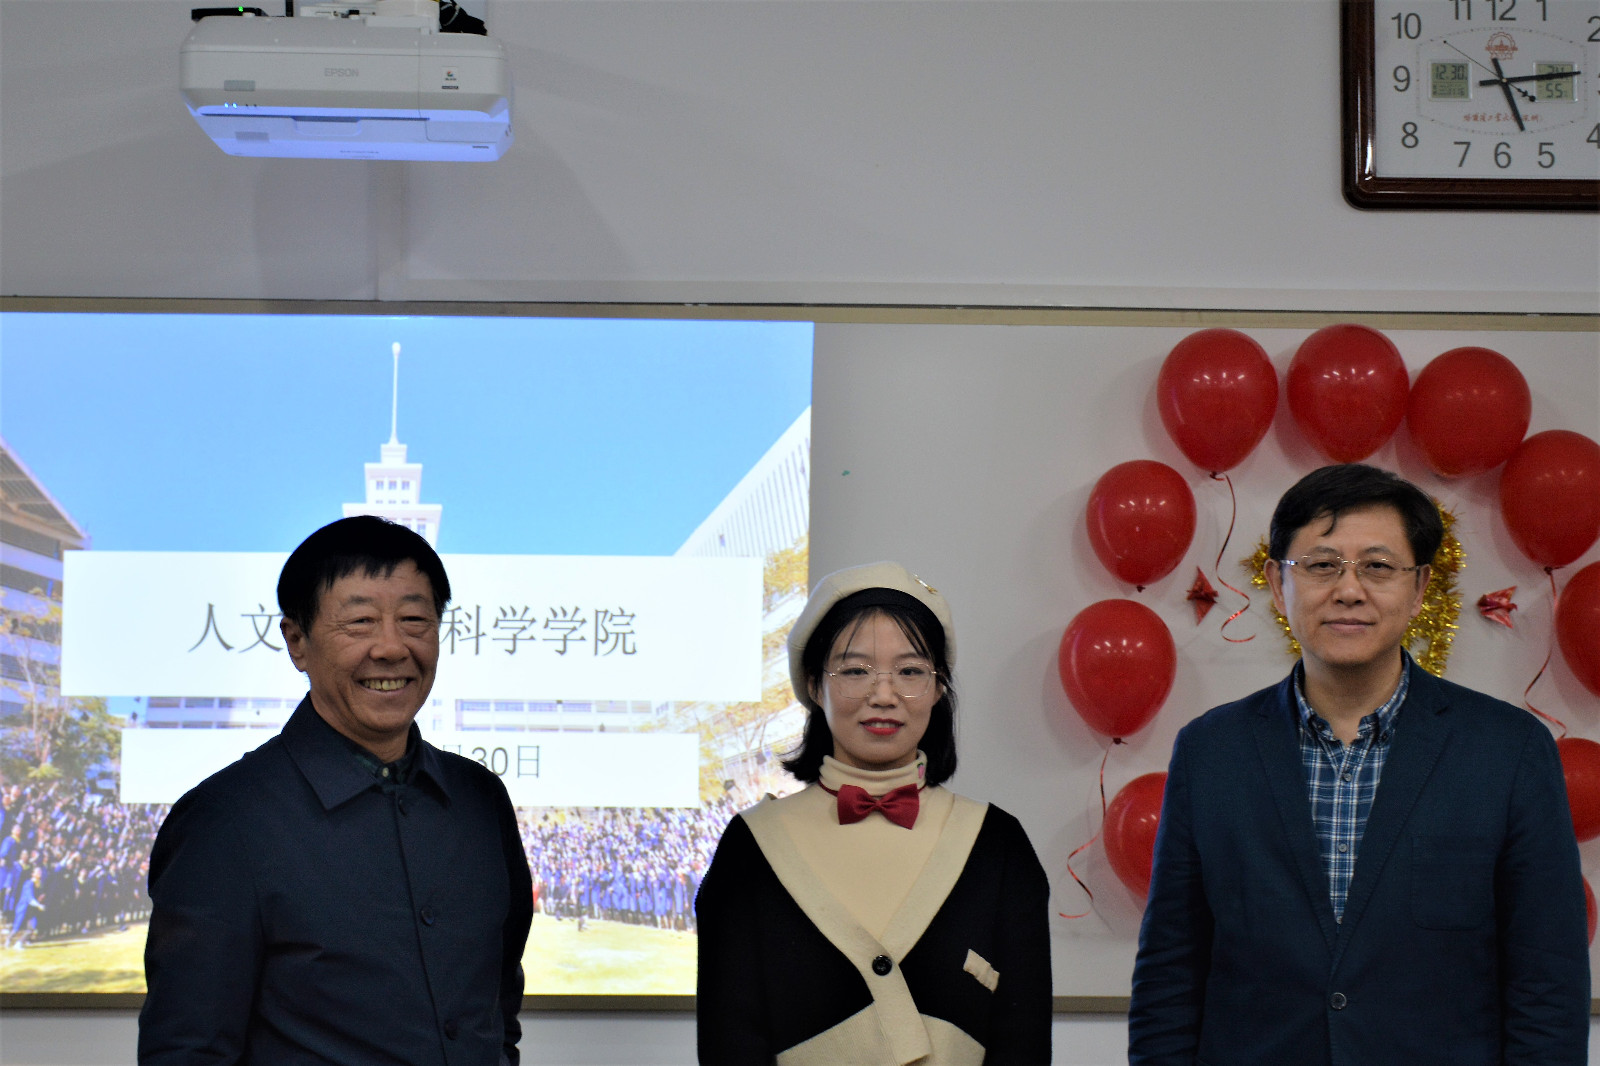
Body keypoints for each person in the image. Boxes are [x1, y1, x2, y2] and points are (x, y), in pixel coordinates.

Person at [1128, 464, 1590, 1066]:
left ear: (1420, 587)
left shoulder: (1509, 750)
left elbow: (1547, 984)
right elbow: (1170, 973)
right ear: (1277, 583)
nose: (1349, 590)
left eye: (1377, 567)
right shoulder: (1211, 752)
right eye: (1321, 565)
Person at [139, 516, 533, 1065]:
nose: (392, 647)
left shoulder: (479, 799)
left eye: (414, 620)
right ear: (296, 641)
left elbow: (496, 1010)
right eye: (360, 622)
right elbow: (188, 1049)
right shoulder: (225, 820)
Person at [696, 562, 1052, 1065]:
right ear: (814, 685)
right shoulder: (752, 847)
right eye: (855, 671)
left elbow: (1024, 1045)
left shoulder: (997, 844)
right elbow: (728, 1044)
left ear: (939, 688)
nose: (883, 696)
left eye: (910, 672)